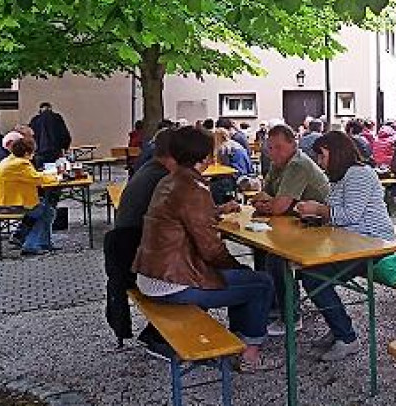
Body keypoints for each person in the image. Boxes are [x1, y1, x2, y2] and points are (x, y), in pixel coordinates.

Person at [132, 127, 280, 372]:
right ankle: (250, 356)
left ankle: (239, 340)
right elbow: (211, 249)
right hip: (173, 283)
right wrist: (237, 267)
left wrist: (215, 211)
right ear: (205, 156)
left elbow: (178, 217)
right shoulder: (194, 189)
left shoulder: (168, 181)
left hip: (150, 275)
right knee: (261, 283)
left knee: (244, 280)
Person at [293, 131, 394, 362]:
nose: (320, 162)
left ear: (336, 153)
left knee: (313, 276)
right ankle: (337, 323)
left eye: (322, 156)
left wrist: (318, 210)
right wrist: (315, 212)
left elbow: (350, 215)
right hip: (352, 243)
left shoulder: (359, 174)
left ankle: (347, 338)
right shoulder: (341, 178)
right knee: (305, 268)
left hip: (373, 245)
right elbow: (338, 215)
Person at [251, 124, 331, 334]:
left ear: (293, 144)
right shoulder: (279, 164)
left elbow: (277, 207)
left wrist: (271, 204)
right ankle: (275, 305)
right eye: (270, 148)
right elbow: (262, 198)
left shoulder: (298, 164)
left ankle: (291, 316)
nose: (273, 152)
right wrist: (271, 203)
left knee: (277, 257)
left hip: (321, 228)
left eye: (278, 147)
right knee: (260, 247)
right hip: (295, 223)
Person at [103, 128, 176, 348]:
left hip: (125, 252)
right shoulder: (162, 178)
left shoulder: (146, 169)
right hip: (138, 259)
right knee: (204, 279)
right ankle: (159, 336)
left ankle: (157, 333)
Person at [0, 137, 60, 255]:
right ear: (27, 152)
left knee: (48, 211)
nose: (33, 155)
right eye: (33, 152)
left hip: (4, 201)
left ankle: (41, 242)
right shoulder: (20, 164)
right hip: (10, 204)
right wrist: (56, 177)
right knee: (43, 211)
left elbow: (31, 176)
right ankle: (31, 245)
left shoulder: (10, 160)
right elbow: (36, 179)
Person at [28, 102, 72, 166]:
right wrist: (65, 148)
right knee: (56, 172)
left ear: (40, 109)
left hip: (39, 153)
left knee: (41, 172)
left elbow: (30, 137)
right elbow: (65, 135)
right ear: (50, 108)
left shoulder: (35, 120)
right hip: (55, 152)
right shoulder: (57, 118)